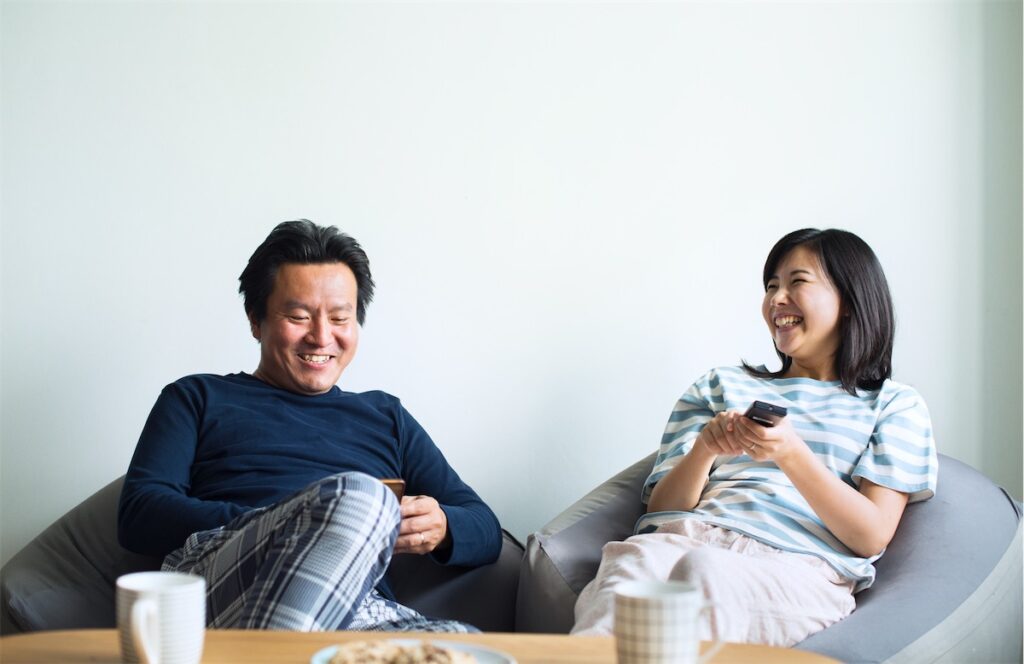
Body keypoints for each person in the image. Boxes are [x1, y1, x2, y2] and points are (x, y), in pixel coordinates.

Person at [118, 219, 502, 632]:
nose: (321, 338)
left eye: (340, 319)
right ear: (255, 319)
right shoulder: (196, 397)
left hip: (356, 608)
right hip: (226, 585)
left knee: (463, 644)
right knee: (361, 498)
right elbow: (140, 513)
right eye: (299, 316)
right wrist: (299, 521)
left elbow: (485, 527)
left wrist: (442, 526)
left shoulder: (386, 417)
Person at [572, 228, 938, 646]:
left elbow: (871, 534)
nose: (776, 299)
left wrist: (791, 454)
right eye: (771, 286)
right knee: (633, 565)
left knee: (708, 573)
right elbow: (662, 507)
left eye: (796, 282)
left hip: (798, 569)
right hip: (684, 536)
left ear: (851, 301)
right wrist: (705, 449)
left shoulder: (894, 406)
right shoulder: (720, 385)